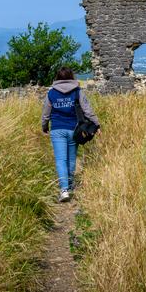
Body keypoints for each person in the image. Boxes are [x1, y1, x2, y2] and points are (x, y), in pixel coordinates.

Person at [40, 66, 101, 202]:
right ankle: (71, 185)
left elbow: (46, 113)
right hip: (74, 129)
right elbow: (87, 110)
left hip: (57, 130)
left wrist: (44, 127)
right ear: (71, 76)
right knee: (71, 158)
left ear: (57, 78)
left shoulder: (51, 93)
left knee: (61, 160)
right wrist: (96, 124)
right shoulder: (77, 91)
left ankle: (64, 190)